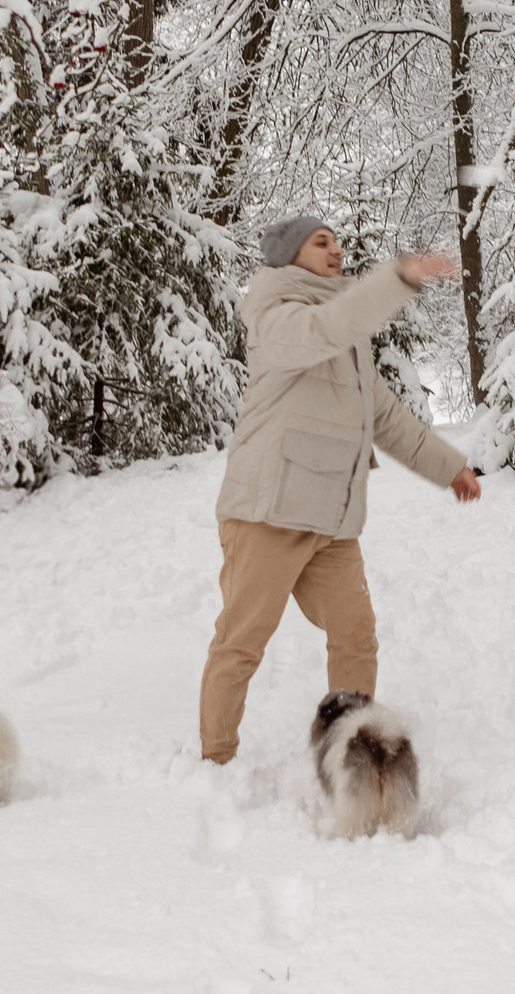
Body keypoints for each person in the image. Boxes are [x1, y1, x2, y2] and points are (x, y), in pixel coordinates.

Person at [198, 217, 482, 764]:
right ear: (289, 256)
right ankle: (216, 759)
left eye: (337, 241)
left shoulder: (347, 336)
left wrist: (449, 468)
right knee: (241, 642)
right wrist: (400, 276)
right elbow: (326, 328)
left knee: (355, 636)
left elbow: (385, 417)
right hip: (268, 511)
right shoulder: (274, 314)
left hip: (331, 518)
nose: (337, 249)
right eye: (320, 242)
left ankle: (353, 749)